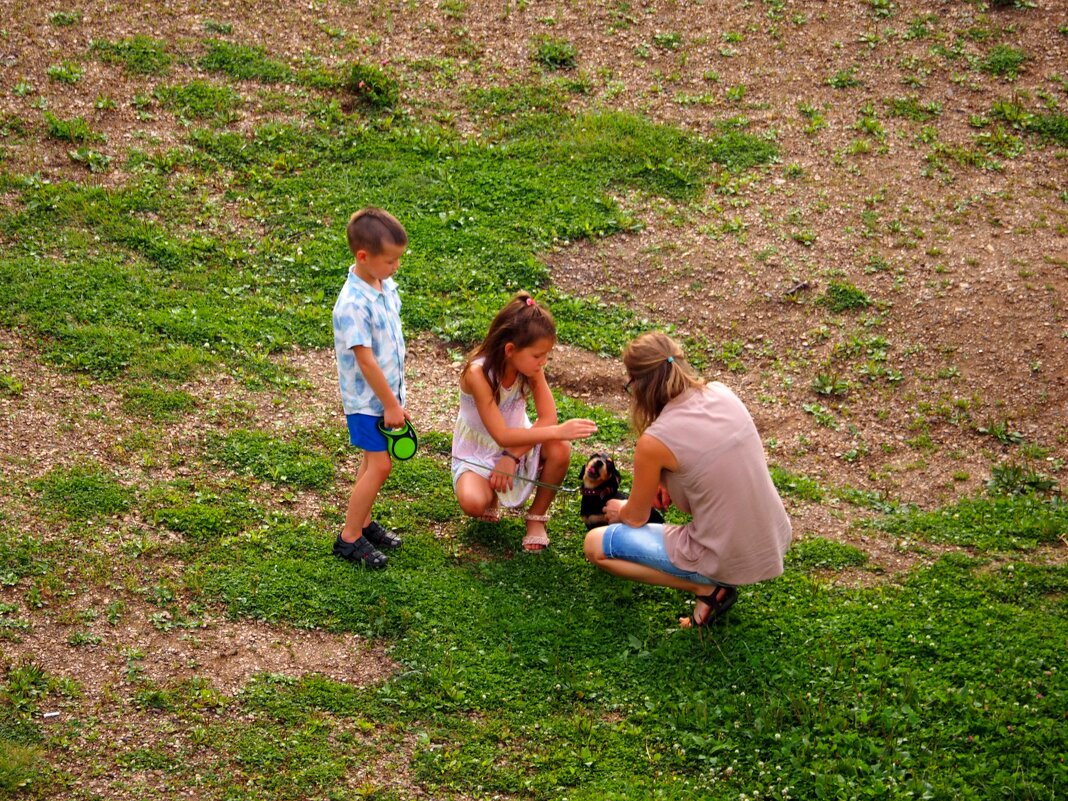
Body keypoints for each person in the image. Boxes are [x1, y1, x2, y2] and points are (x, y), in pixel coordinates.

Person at [584, 332, 791, 627]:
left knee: (595, 545)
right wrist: (664, 481)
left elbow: (636, 517)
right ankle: (711, 581)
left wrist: (622, 510)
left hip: (724, 555)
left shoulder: (654, 441)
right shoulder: (722, 392)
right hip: (771, 537)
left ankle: (707, 588)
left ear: (640, 385)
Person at [452, 292, 598, 551]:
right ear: (510, 350)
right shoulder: (479, 373)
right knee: (474, 503)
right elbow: (502, 436)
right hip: (479, 450)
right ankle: (490, 496)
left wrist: (511, 457)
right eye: (538, 355)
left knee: (560, 447)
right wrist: (557, 430)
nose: (543, 362)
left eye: (546, 356)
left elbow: (547, 417)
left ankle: (536, 518)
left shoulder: (530, 369)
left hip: (518, 445)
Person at [331, 207, 410, 569]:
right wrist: (390, 404)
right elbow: (366, 361)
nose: (396, 267)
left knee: (370, 462)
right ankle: (348, 538)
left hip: (385, 398)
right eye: (390, 260)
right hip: (367, 401)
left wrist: (394, 399)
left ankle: (362, 522)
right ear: (363, 256)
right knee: (380, 466)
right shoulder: (352, 304)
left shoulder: (383, 286)